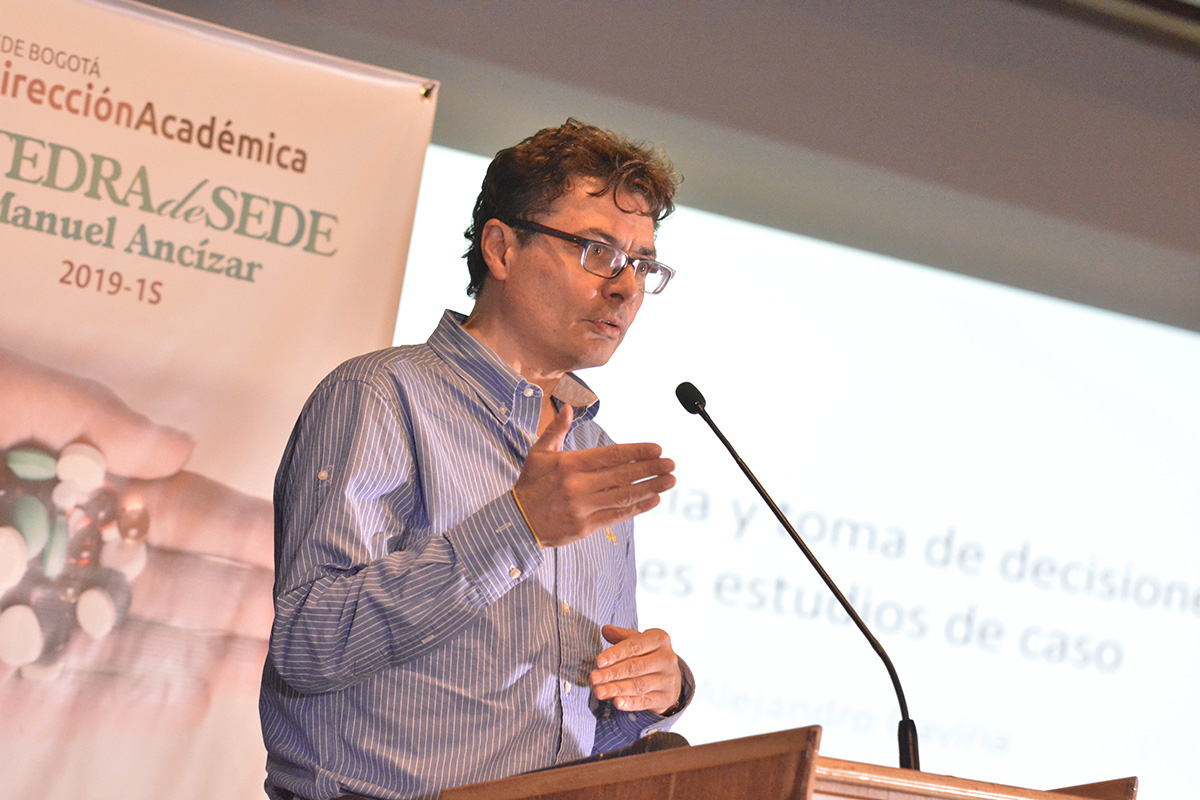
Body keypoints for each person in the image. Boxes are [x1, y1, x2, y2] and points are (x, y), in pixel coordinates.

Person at [259, 119, 692, 800]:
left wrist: (654, 691)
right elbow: (310, 646)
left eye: (642, 264)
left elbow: (578, 730)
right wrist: (517, 527)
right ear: (502, 247)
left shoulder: (592, 454)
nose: (625, 287)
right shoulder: (382, 395)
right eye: (598, 251)